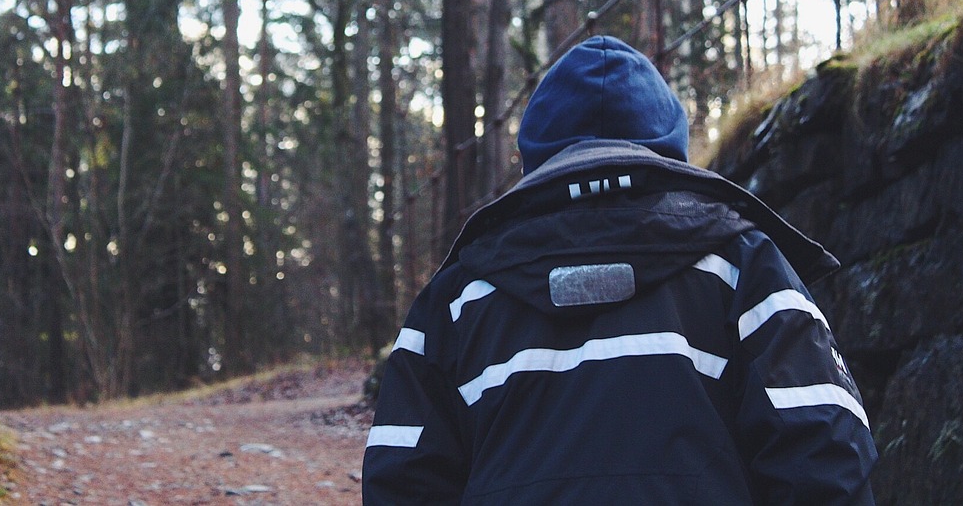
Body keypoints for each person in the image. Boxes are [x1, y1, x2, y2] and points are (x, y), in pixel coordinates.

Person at [362, 35, 876, 504]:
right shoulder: (744, 266)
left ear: (533, 158)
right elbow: (824, 454)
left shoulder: (458, 296)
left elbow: (403, 477)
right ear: (671, 153)